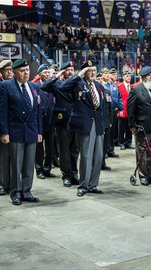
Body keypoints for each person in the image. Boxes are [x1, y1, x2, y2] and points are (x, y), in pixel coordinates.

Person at [0, 59, 42, 205]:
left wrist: (39, 131)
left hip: (31, 130)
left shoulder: (33, 87)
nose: (26, 73)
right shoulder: (6, 86)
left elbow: (37, 111)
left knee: (29, 164)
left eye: (27, 70)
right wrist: (4, 132)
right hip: (15, 130)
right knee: (16, 164)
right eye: (22, 71)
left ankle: (26, 191)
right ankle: (16, 192)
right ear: (15, 72)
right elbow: (1, 111)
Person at [58, 60, 105, 197]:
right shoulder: (77, 84)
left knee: (98, 156)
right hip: (84, 124)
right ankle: (83, 185)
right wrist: (78, 75)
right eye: (89, 71)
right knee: (86, 155)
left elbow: (102, 106)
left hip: (98, 123)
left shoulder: (98, 85)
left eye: (94, 71)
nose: (92, 73)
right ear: (84, 72)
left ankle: (93, 184)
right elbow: (62, 87)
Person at [41, 61, 79, 188]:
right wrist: (57, 76)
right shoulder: (57, 83)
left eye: (72, 70)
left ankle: (74, 173)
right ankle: (66, 175)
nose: (70, 72)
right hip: (63, 121)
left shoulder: (77, 83)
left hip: (76, 120)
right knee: (64, 150)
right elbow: (44, 86)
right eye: (67, 70)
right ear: (63, 72)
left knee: (74, 150)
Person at [127, 66, 151, 186]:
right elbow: (130, 109)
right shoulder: (136, 90)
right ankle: (143, 175)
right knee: (142, 152)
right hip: (142, 126)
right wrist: (132, 125)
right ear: (143, 77)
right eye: (149, 75)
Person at [34, 64, 56, 179]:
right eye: (45, 72)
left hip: (51, 121)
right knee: (39, 147)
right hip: (39, 121)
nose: (47, 74)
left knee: (50, 147)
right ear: (39, 74)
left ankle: (47, 168)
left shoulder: (52, 87)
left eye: (48, 72)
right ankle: (39, 169)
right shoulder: (35, 86)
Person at [0, 60, 13, 196]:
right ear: (0, 72)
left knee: (15, 157)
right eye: (6, 69)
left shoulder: (16, 84)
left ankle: (14, 183)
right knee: (3, 157)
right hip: (3, 126)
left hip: (16, 127)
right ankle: (3, 184)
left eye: (11, 69)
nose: (9, 72)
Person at [117, 71, 132, 150]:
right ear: (123, 77)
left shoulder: (132, 86)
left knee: (130, 127)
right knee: (121, 128)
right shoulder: (119, 86)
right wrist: (119, 109)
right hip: (122, 109)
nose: (128, 77)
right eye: (126, 76)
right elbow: (118, 98)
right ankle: (121, 142)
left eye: (129, 76)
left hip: (130, 110)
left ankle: (128, 142)